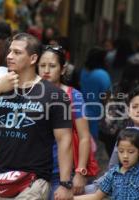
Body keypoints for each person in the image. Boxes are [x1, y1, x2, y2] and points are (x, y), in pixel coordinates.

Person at [0, 33, 74, 200]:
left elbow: (64, 141)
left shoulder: (55, 95)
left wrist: (65, 183)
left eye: (17, 53)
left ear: (33, 59)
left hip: (32, 183)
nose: (9, 56)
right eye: (10, 51)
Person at [38, 45, 91, 198]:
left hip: (60, 173)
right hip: (33, 171)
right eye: (42, 66)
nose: (46, 70)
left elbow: (84, 137)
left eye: (52, 66)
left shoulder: (73, 96)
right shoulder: (31, 93)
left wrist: (80, 172)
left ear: (62, 69)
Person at [75, 128, 139, 200]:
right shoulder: (113, 173)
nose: (125, 156)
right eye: (121, 151)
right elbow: (96, 196)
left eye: (131, 152)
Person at [80, 47, 111, 139]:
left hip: (81, 113)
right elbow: (106, 98)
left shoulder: (83, 72)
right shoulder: (102, 75)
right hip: (96, 116)